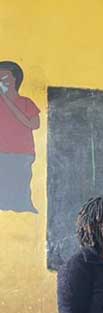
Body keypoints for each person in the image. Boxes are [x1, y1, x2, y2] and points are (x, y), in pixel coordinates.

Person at [0, 60, 40, 213]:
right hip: (1, 152)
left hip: (22, 153)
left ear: (15, 80)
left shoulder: (26, 102)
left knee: (21, 182)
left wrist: (7, 100)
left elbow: (34, 124)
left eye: (4, 79)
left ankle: (23, 207)